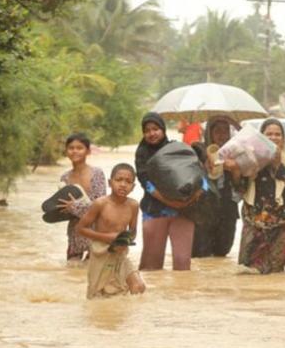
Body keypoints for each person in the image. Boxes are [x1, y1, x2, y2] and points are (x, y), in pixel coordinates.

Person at [134, 112, 200, 271]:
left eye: (155, 129)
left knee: (183, 264)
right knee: (151, 266)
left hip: (184, 211)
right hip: (155, 210)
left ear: (163, 130)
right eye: (147, 130)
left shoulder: (179, 149)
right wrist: (170, 202)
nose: (151, 133)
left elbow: (198, 175)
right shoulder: (142, 154)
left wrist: (196, 195)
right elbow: (146, 183)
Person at [237, 118, 285, 274]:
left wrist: (278, 165)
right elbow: (240, 189)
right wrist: (236, 171)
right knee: (246, 270)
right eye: (269, 134)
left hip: (281, 224)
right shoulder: (250, 158)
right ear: (261, 137)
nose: (273, 138)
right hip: (253, 223)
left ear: (284, 138)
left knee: (275, 273)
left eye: (278, 134)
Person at [76, 163, 145, 299]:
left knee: (138, 286)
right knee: (97, 296)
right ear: (109, 182)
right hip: (100, 253)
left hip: (120, 253)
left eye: (128, 181)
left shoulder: (133, 205)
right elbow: (81, 228)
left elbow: (133, 232)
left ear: (133, 187)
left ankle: (129, 317)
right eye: (119, 180)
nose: (123, 184)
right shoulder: (100, 204)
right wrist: (106, 237)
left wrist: (126, 241)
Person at [192, 116, 241, 257]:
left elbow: (241, 188)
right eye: (217, 131)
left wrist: (235, 171)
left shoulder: (236, 154)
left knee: (222, 252)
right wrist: (204, 163)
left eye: (225, 131)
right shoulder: (198, 151)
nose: (222, 135)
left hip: (227, 210)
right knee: (201, 254)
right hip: (203, 211)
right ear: (209, 133)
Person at [57, 133, 106, 261]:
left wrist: (73, 206)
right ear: (66, 151)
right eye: (71, 148)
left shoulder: (97, 173)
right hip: (75, 232)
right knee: (72, 273)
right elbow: (64, 207)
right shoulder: (65, 177)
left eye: (79, 148)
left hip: (96, 232)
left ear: (88, 151)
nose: (75, 151)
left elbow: (100, 205)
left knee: (92, 273)